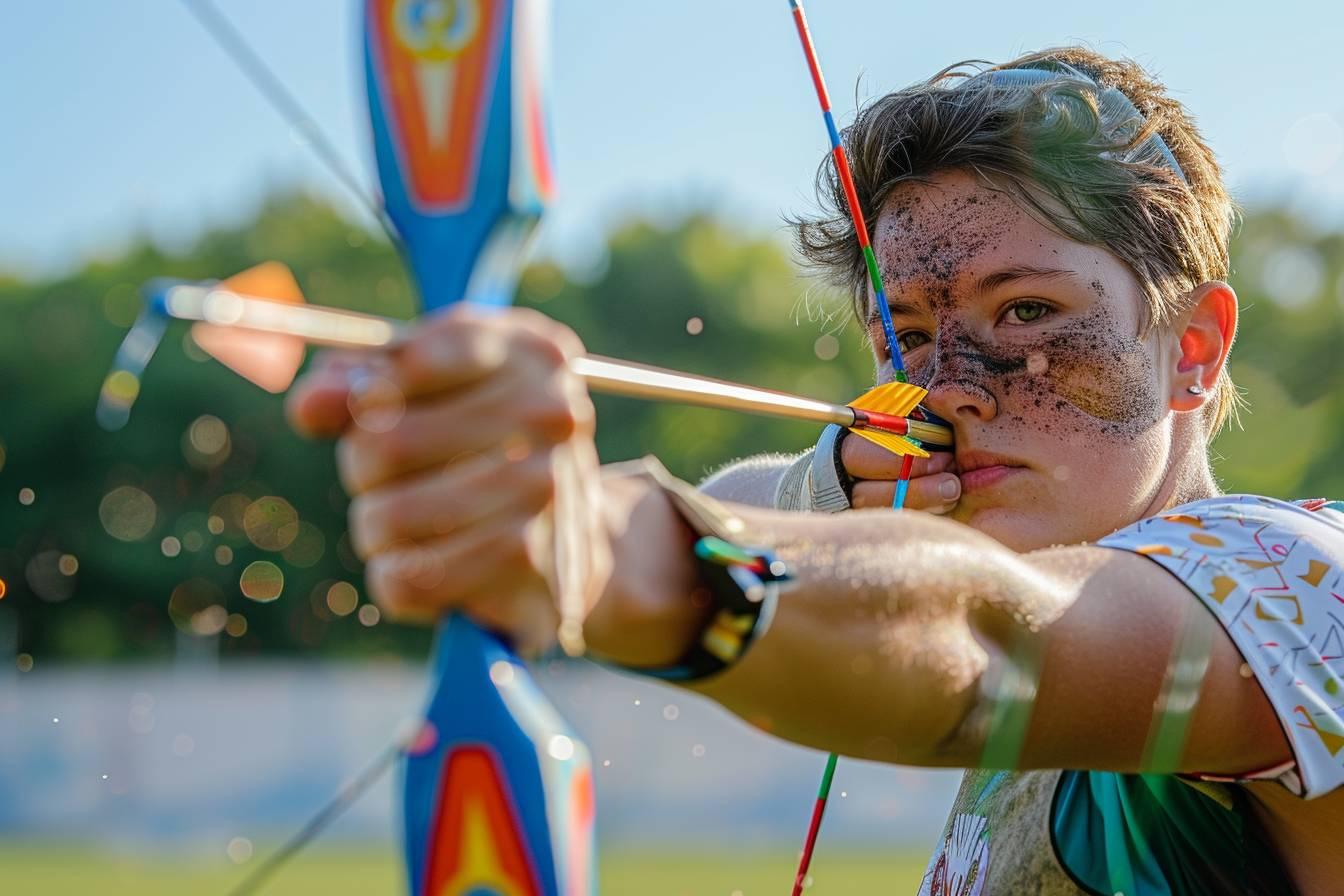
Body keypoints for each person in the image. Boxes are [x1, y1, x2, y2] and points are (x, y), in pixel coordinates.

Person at [287, 47, 1344, 895]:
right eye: (911, 333)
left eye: (1028, 312)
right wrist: (544, 495)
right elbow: (777, 518)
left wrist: (611, 556)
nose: (951, 390)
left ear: (1193, 348)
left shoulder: (1298, 585)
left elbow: (990, 634)